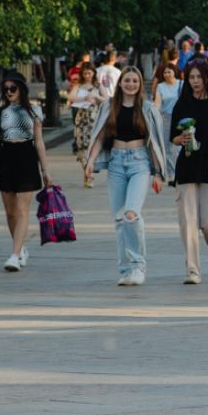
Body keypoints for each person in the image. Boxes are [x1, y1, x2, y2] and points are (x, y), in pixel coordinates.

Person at [85, 66, 167, 286]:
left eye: (135, 81)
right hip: (116, 163)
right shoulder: (108, 107)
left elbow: (155, 142)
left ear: (140, 84)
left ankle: (138, 266)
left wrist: (158, 173)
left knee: (131, 213)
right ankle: (125, 270)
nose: (131, 84)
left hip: (139, 162)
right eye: (127, 80)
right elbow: (100, 137)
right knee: (120, 219)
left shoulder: (147, 108)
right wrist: (91, 161)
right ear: (120, 83)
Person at [170, 61, 208, 284]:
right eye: (191, 78)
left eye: (198, 77)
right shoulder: (182, 104)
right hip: (186, 167)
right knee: (188, 222)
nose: (195, 81)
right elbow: (173, 137)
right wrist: (180, 139)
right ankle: (192, 270)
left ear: (207, 78)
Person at [0, 71, 51, 272]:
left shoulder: (34, 111)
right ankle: (20, 247)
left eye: (12, 88)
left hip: (26, 156)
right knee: (10, 211)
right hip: (5, 156)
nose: (8, 92)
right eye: (5, 89)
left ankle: (14, 255)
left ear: (21, 88)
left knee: (22, 210)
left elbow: (39, 142)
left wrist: (45, 169)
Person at [68, 62, 107, 186]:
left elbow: (107, 99)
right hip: (81, 119)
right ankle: (87, 172)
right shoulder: (78, 85)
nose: (87, 76)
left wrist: (95, 97)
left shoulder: (97, 85)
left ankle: (89, 175)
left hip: (93, 119)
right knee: (81, 148)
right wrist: (84, 98)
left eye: (89, 73)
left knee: (91, 147)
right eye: (85, 73)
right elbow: (71, 97)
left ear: (94, 73)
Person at [153, 63, 183, 185]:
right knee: (168, 147)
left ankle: (182, 172)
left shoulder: (182, 84)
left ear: (174, 72)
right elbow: (158, 102)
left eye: (169, 72)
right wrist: (154, 113)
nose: (166, 74)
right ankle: (172, 175)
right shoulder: (160, 86)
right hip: (166, 118)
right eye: (164, 73)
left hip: (181, 119)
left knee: (181, 147)